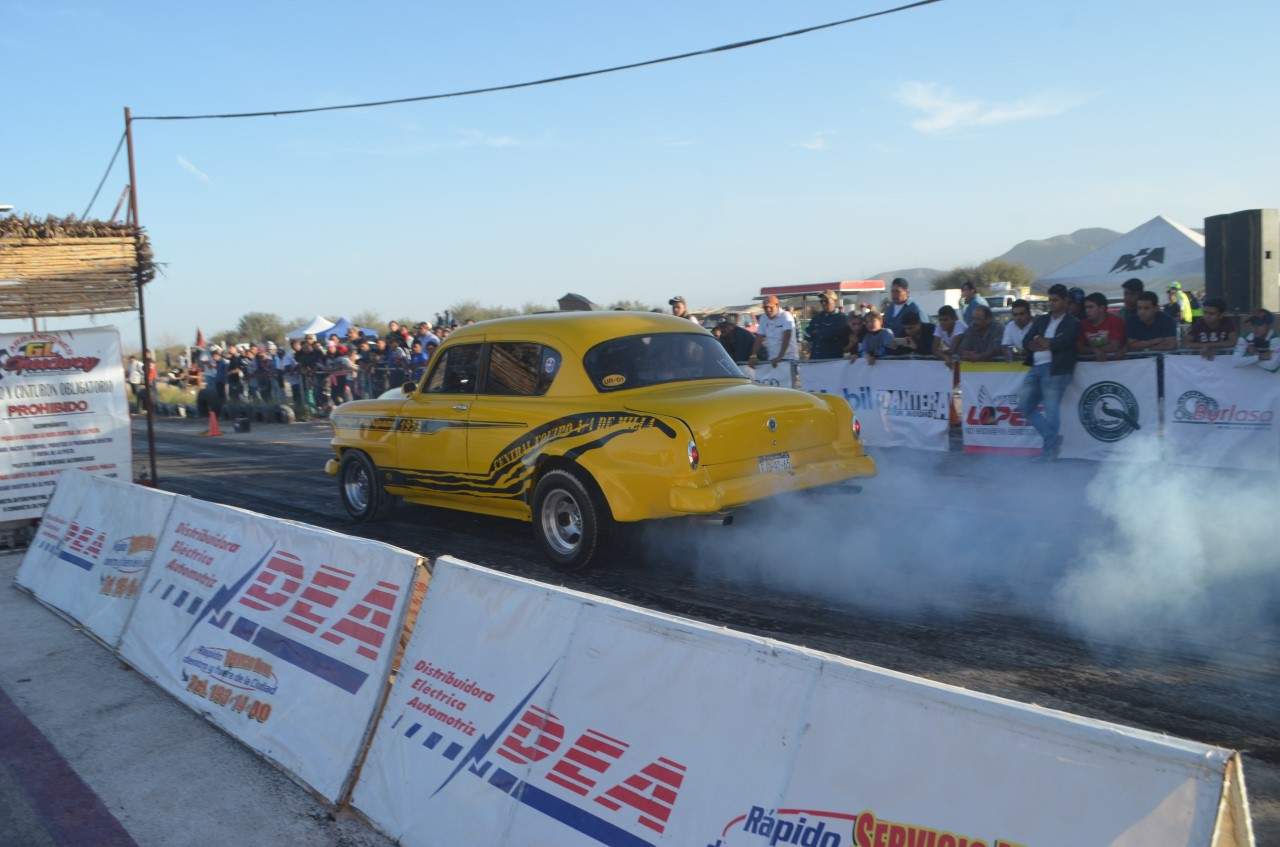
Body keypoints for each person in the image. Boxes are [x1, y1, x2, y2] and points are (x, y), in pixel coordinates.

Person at [1016, 283, 1079, 461]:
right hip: (1037, 366)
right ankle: (1052, 439)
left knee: (1051, 410)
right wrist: (1038, 343)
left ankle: (1049, 451)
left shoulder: (1072, 322)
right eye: (1050, 300)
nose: (1051, 303)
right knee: (1024, 405)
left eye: (1055, 300)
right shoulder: (1042, 320)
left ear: (1065, 301)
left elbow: (1064, 342)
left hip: (1056, 368)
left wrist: (1046, 342)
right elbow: (1027, 340)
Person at [748, 295, 798, 369]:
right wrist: (753, 355)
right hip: (772, 359)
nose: (768, 310)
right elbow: (759, 337)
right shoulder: (763, 318)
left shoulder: (786, 316)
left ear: (777, 305)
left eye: (770, 307)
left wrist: (780, 356)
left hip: (789, 359)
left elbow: (787, 336)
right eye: (765, 308)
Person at [1076, 293, 1126, 362]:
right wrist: (1094, 350)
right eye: (1086, 308)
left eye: (1090, 307)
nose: (1087, 310)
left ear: (1101, 308)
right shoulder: (1082, 324)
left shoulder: (1115, 321)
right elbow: (1079, 348)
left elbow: (1114, 347)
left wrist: (1093, 349)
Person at [805, 290, 850, 360]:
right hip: (815, 359)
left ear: (834, 301)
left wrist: (819, 332)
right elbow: (807, 334)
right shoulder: (817, 317)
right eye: (821, 301)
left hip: (832, 361)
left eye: (826, 301)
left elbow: (837, 337)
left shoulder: (841, 318)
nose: (823, 303)